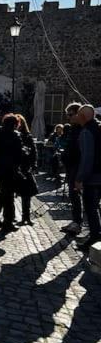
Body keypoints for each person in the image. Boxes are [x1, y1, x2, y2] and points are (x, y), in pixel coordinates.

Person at [0, 113, 23, 232]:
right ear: (15, 125)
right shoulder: (15, 136)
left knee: (4, 192)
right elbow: (18, 154)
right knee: (8, 194)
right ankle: (8, 221)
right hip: (9, 168)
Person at [74, 104, 101, 251]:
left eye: (78, 114)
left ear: (83, 117)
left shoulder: (86, 132)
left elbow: (87, 158)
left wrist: (79, 179)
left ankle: (94, 239)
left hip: (92, 177)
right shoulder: (99, 128)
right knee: (95, 208)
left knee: (91, 209)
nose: (76, 116)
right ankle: (95, 235)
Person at [60, 102, 83, 235]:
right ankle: (76, 221)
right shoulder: (73, 128)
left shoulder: (80, 129)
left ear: (77, 114)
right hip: (72, 166)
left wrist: (66, 156)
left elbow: (77, 150)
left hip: (77, 167)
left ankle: (77, 223)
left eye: (70, 115)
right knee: (73, 196)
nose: (68, 117)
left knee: (76, 196)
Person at [15, 114, 38, 226]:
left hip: (25, 168)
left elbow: (33, 152)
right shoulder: (12, 136)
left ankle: (26, 217)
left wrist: (33, 165)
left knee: (26, 194)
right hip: (14, 168)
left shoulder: (27, 136)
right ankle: (11, 216)